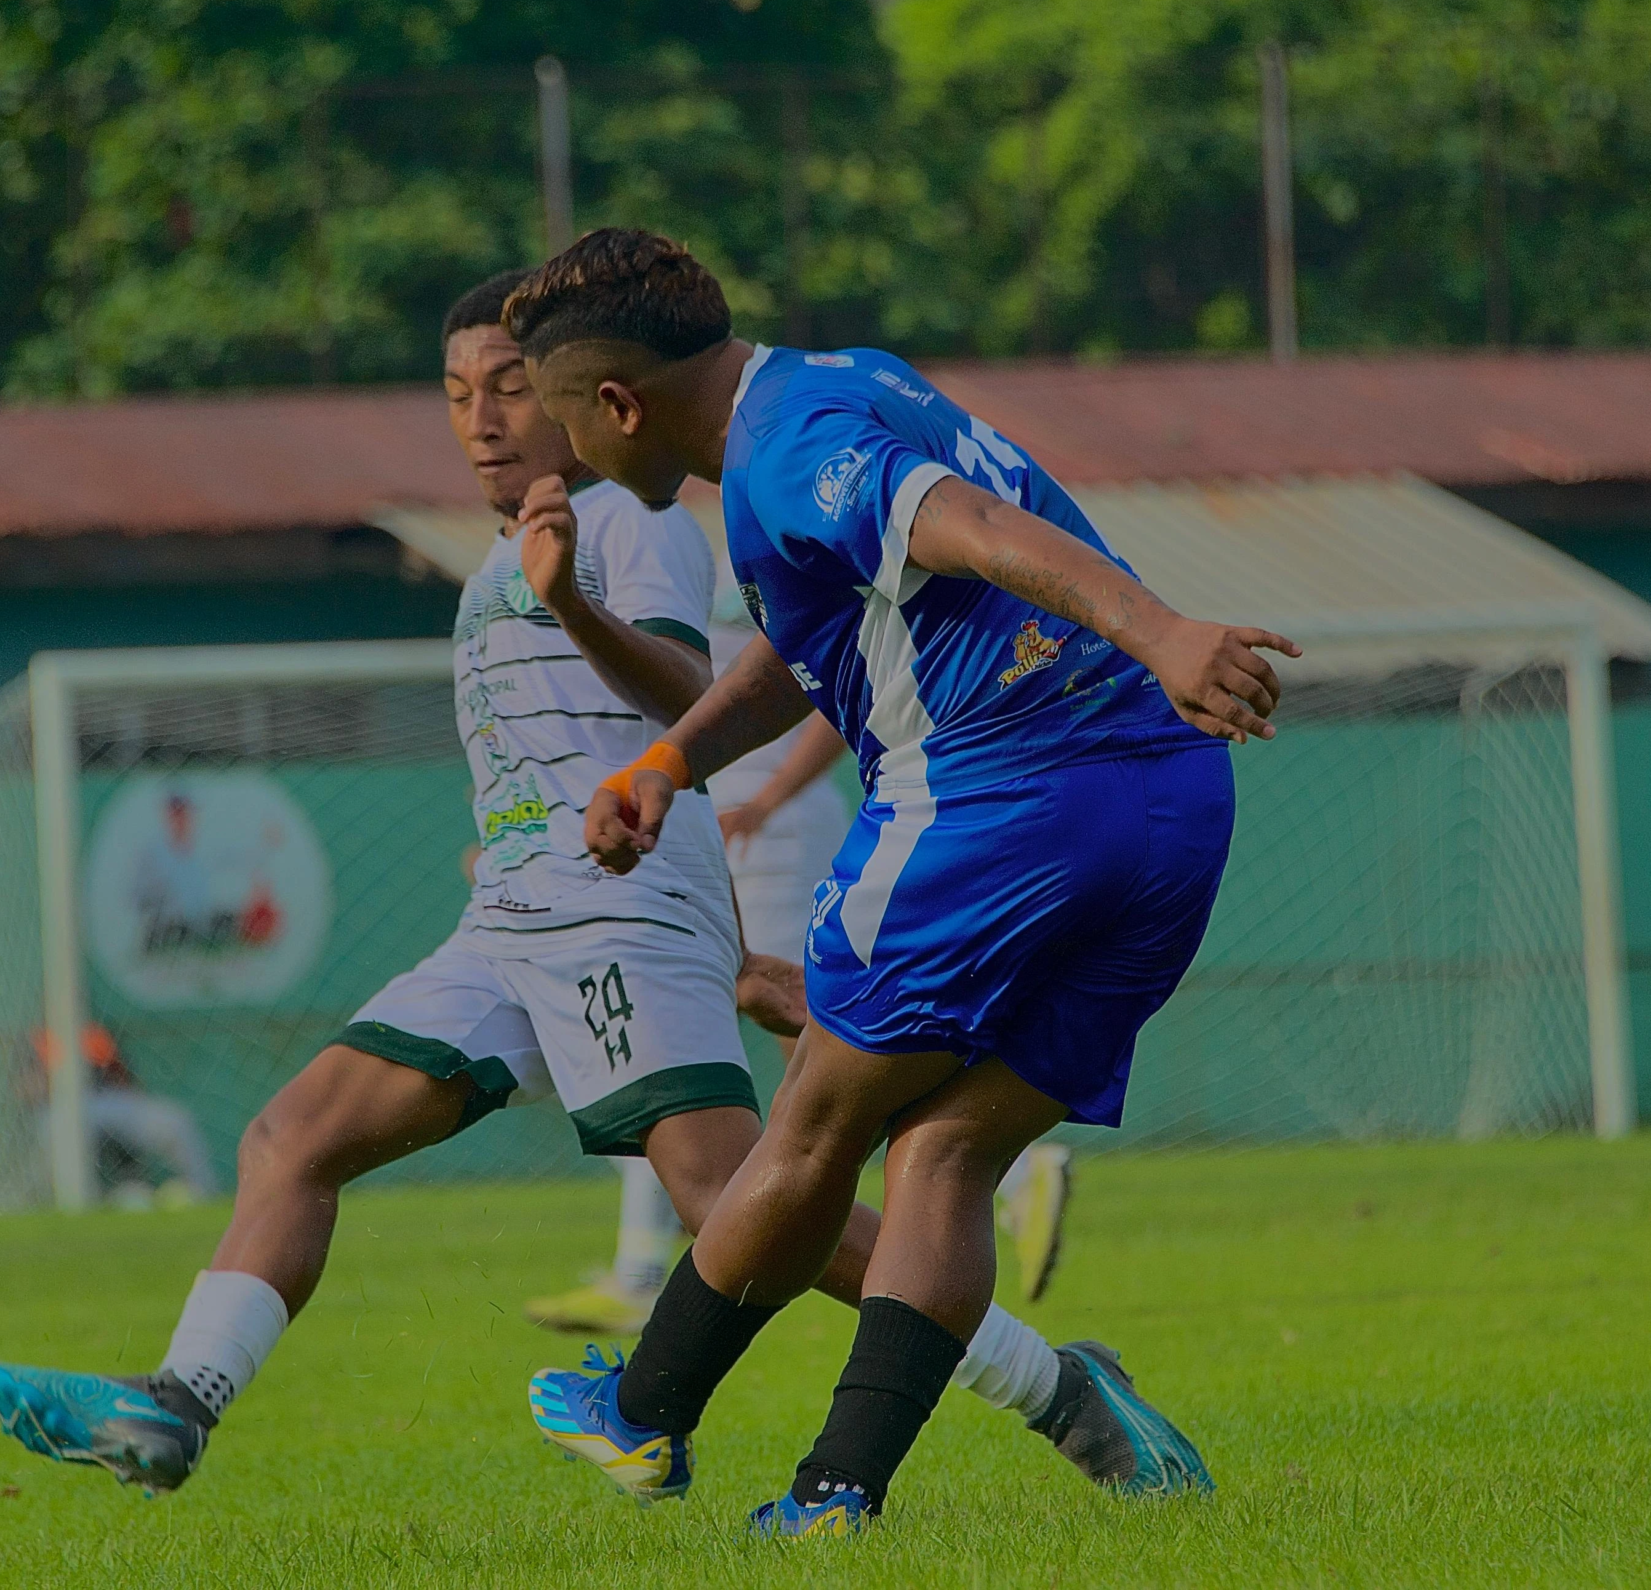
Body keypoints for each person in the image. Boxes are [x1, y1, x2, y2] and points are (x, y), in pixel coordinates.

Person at [0, 269, 1163, 1499]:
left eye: (507, 388)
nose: (481, 417)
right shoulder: (518, 546)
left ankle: (1062, 1391)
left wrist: (571, 609)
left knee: (737, 1197)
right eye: (455, 393)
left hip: (618, 911)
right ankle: (178, 1403)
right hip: (515, 919)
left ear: (584, 401)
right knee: (294, 1138)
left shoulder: (624, 521)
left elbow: (678, 697)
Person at [506, 229, 1294, 1535]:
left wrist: (1165, 629)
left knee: (813, 1123)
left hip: (1004, 793)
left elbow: (973, 525)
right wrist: (674, 757)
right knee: (946, 1145)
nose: (564, 457)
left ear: (617, 404)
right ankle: (833, 1496)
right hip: (1167, 799)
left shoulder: (786, 446)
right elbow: (821, 638)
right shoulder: (845, 377)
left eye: (558, 425)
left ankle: (640, 1408)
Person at [530, 574, 1075, 1333]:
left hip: (761, 833)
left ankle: (1006, 1173)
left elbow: (830, 685)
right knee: (723, 1040)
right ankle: (641, 1264)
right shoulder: (684, 567)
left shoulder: (745, 558)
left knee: (809, 1052)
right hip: (708, 825)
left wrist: (770, 798)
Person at [25, 1021, 221, 1203]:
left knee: (175, 1120)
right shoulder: (39, 1039)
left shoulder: (95, 1032)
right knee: (56, 1126)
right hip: (62, 1106)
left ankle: (203, 1194)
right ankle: (70, 1202)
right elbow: (24, 1089)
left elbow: (125, 1078)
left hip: (111, 1102)